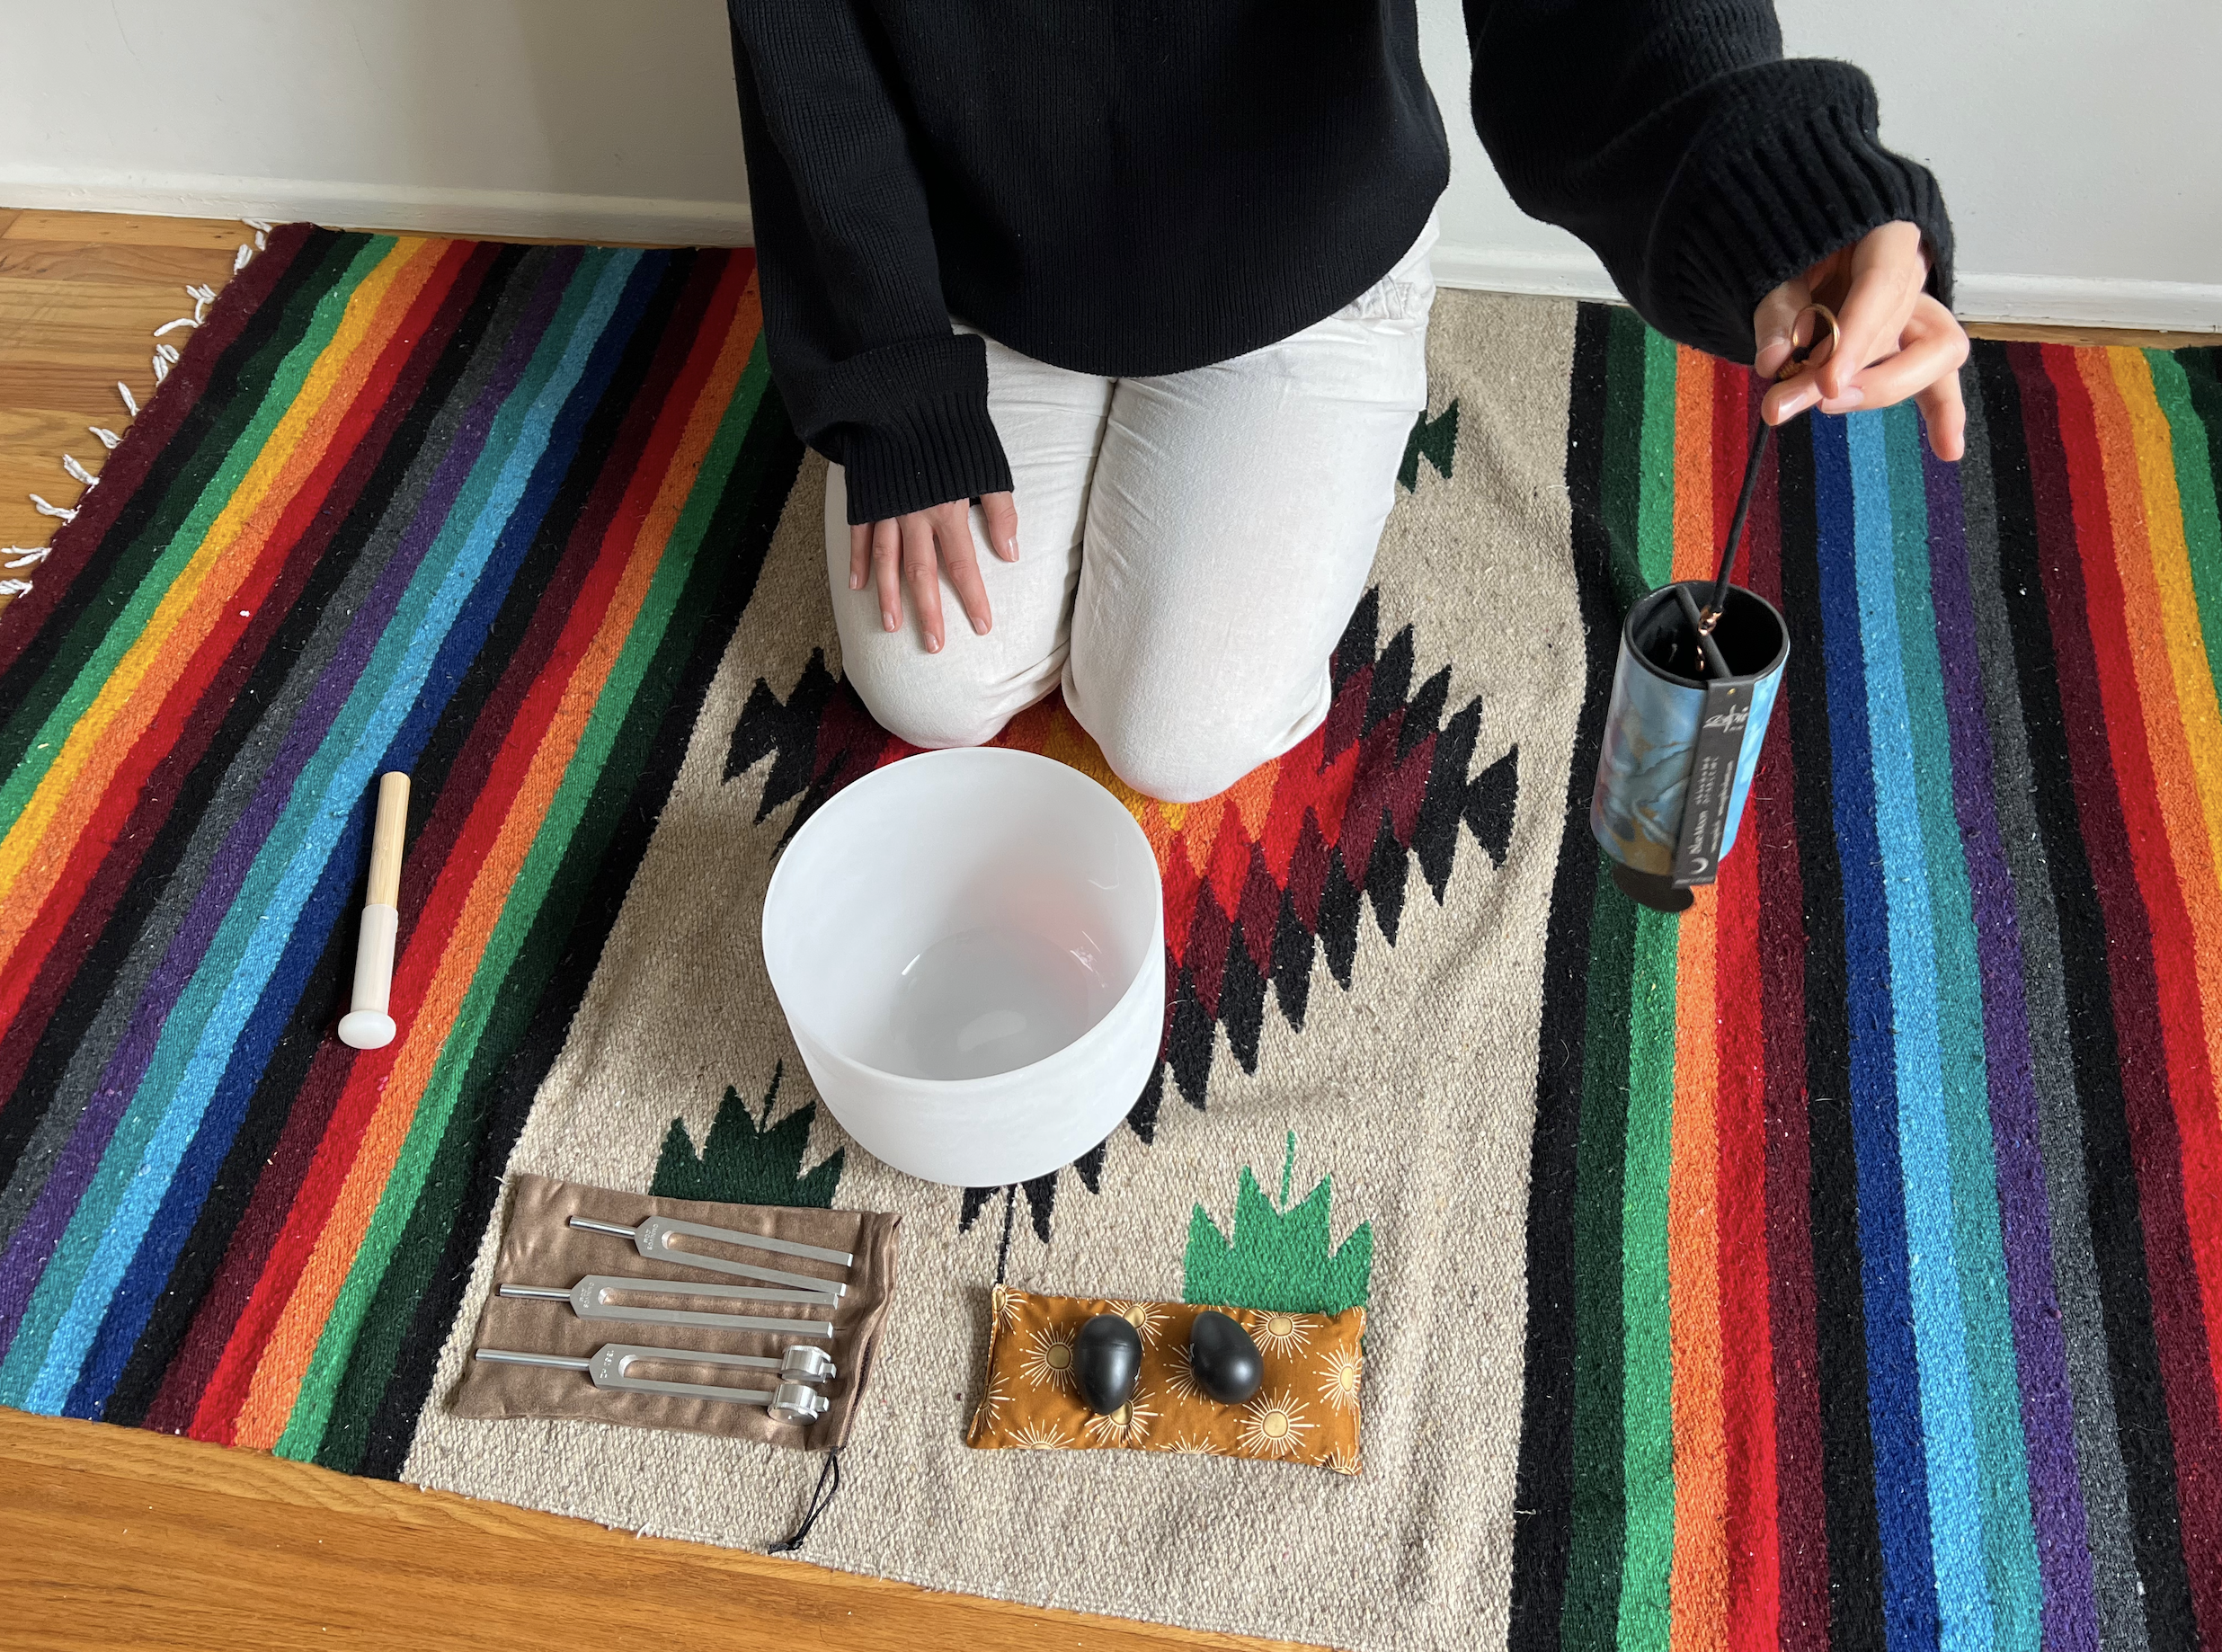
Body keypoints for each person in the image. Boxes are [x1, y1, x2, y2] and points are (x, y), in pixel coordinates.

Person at [725, 1, 1968, 804]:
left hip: (1298, 236)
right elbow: (804, 42)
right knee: (928, 688)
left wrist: (1776, 195)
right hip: (984, 243)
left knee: (1179, 735)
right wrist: (887, 377)